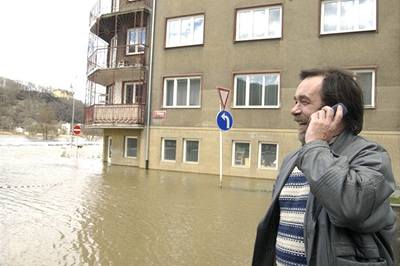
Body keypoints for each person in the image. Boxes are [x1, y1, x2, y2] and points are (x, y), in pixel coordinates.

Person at [252, 68, 397, 266]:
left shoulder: (371, 156)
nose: (294, 110)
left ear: (336, 111)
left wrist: (315, 144)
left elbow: (351, 208)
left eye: (304, 102)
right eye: (295, 101)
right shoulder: (293, 159)